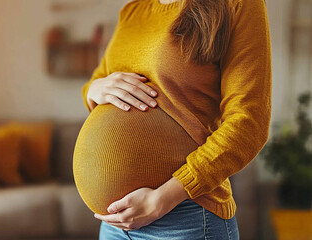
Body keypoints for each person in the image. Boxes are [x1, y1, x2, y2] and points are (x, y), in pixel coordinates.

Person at [79, 0, 272, 239]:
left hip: (185, 218)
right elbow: (99, 80)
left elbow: (249, 124)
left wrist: (163, 199)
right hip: (114, 225)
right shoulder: (133, 11)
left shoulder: (239, 4)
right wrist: (94, 88)